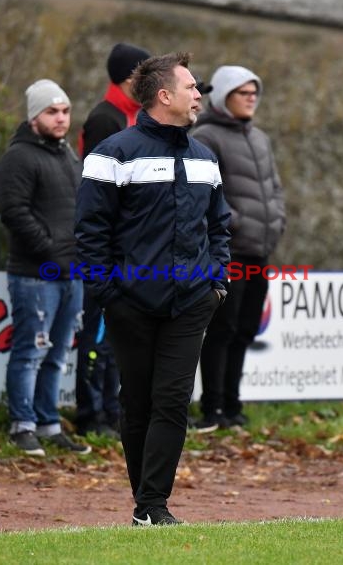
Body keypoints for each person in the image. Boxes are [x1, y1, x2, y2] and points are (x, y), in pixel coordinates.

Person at [75, 52, 231, 525]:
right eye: (191, 89)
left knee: (172, 401)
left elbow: (220, 227)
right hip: (130, 304)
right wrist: (110, 296)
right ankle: (146, 503)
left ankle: (152, 505)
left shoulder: (206, 158)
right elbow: (89, 232)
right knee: (136, 402)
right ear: (165, 96)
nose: (199, 95)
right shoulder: (112, 153)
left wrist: (216, 283)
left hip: (190, 304)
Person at [0, 79, 91, 456]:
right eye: (52, 112)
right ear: (34, 116)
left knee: (55, 355)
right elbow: (13, 212)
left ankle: (48, 423)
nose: (61, 118)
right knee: (30, 353)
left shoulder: (69, 156)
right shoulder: (19, 157)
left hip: (72, 275)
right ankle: (22, 425)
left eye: (65, 111)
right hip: (35, 275)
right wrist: (50, 250)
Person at [191, 65, 286, 431]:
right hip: (228, 253)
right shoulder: (207, 136)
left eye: (254, 93)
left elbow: (275, 188)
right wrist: (239, 222)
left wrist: (276, 221)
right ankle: (211, 408)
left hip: (260, 250)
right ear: (224, 96)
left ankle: (233, 405)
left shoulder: (259, 138)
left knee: (246, 329)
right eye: (243, 93)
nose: (251, 99)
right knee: (222, 329)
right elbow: (205, 195)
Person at [75, 42, 150, 437]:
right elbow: (97, 191)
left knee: (113, 339)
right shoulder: (106, 118)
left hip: (126, 249)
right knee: (97, 337)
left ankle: (108, 413)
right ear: (129, 76)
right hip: (106, 250)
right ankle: (90, 416)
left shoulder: (129, 116)